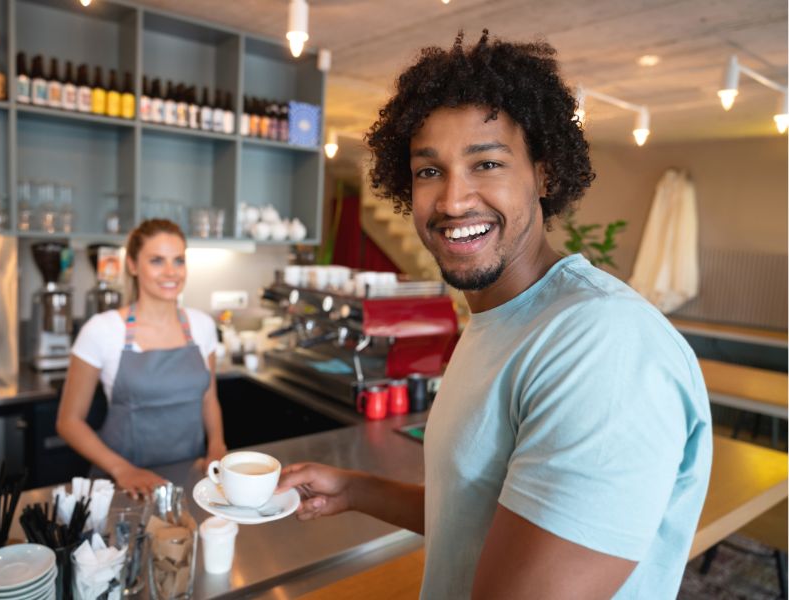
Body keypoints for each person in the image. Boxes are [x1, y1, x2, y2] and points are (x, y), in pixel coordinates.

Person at [276, 32, 712, 599]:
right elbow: (483, 515)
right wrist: (356, 489)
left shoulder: (601, 343)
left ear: (545, 174)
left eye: (486, 163)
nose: (454, 200)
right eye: (429, 171)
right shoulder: (498, 320)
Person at [57, 219, 227, 496]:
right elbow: (68, 422)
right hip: (125, 485)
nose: (171, 272)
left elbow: (209, 399)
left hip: (190, 479)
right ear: (133, 265)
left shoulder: (202, 325)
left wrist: (217, 448)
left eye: (179, 260)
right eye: (157, 261)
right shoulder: (102, 330)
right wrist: (122, 469)